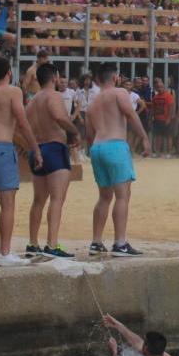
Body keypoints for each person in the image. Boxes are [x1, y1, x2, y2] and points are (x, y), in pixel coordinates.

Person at [0, 57, 42, 267]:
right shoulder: (14, 91)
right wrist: (35, 149)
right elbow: (22, 122)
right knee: (7, 202)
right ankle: (5, 253)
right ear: (9, 73)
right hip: (1, 146)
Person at [86, 64, 150, 257]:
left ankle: (96, 242)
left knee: (104, 197)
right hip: (115, 145)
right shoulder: (119, 92)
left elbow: (89, 132)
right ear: (115, 77)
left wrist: (93, 150)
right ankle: (120, 243)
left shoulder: (94, 101)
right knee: (122, 196)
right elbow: (130, 115)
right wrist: (144, 138)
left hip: (97, 147)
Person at [24, 64, 79, 259]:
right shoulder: (53, 96)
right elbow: (58, 116)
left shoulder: (33, 100)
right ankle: (52, 244)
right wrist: (74, 131)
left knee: (38, 200)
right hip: (54, 148)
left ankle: (32, 243)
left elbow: (22, 126)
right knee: (57, 199)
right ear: (55, 77)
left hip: (37, 149)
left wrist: (31, 147)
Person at [102, 314, 179, 356]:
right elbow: (138, 342)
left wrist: (114, 352)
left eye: (144, 342)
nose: (141, 343)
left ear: (145, 348)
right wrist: (118, 326)